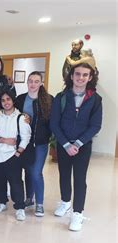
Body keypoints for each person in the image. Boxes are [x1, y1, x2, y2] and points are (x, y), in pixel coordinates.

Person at [50, 62, 102, 231]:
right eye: (77, 74)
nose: (81, 78)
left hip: (83, 146)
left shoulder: (95, 99)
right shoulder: (61, 97)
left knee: (79, 179)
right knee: (64, 175)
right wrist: (65, 144)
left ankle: (77, 213)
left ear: (90, 77)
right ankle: (65, 202)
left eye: (85, 75)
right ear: (71, 76)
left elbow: (95, 125)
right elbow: (54, 123)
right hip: (63, 144)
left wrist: (78, 144)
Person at [0, 91, 31, 221]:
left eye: (8, 99)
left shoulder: (21, 118)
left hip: (13, 155)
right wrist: (4, 140)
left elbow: (26, 137)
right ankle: (1, 202)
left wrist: (18, 152)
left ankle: (19, 208)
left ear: (13, 101)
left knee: (16, 183)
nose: (6, 102)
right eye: (3, 100)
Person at [15, 71, 53, 217]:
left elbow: (52, 122)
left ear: (41, 83)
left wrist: (47, 136)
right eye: (30, 81)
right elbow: (14, 117)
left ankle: (40, 203)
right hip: (24, 142)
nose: (33, 84)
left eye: (36, 81)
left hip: (40, 143)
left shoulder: (49, 100)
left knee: (36, 173)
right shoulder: (20, 99)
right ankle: (29, 198)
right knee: (28, 171)